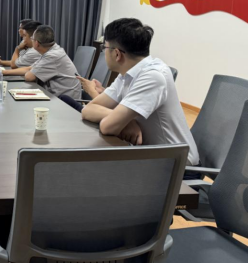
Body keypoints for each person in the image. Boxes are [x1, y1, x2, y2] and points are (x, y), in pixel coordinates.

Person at [81, 18, 200, 166]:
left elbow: (107, 127)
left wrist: (120, 120)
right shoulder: (126, 74)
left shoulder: (153, 77)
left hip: (177, 166)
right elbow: (88, 109)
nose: (104, 52)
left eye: (104, 48)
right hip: (151, 156)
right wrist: (128, 122)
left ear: (117, 54)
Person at [23, 25, 82, 100]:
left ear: (37, 43)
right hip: (60, 96)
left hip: (66, 102)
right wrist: (7, 72)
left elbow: (29, 77)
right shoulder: (53, 50)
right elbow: (31, 68)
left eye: (32, 38)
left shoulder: (52, 56)